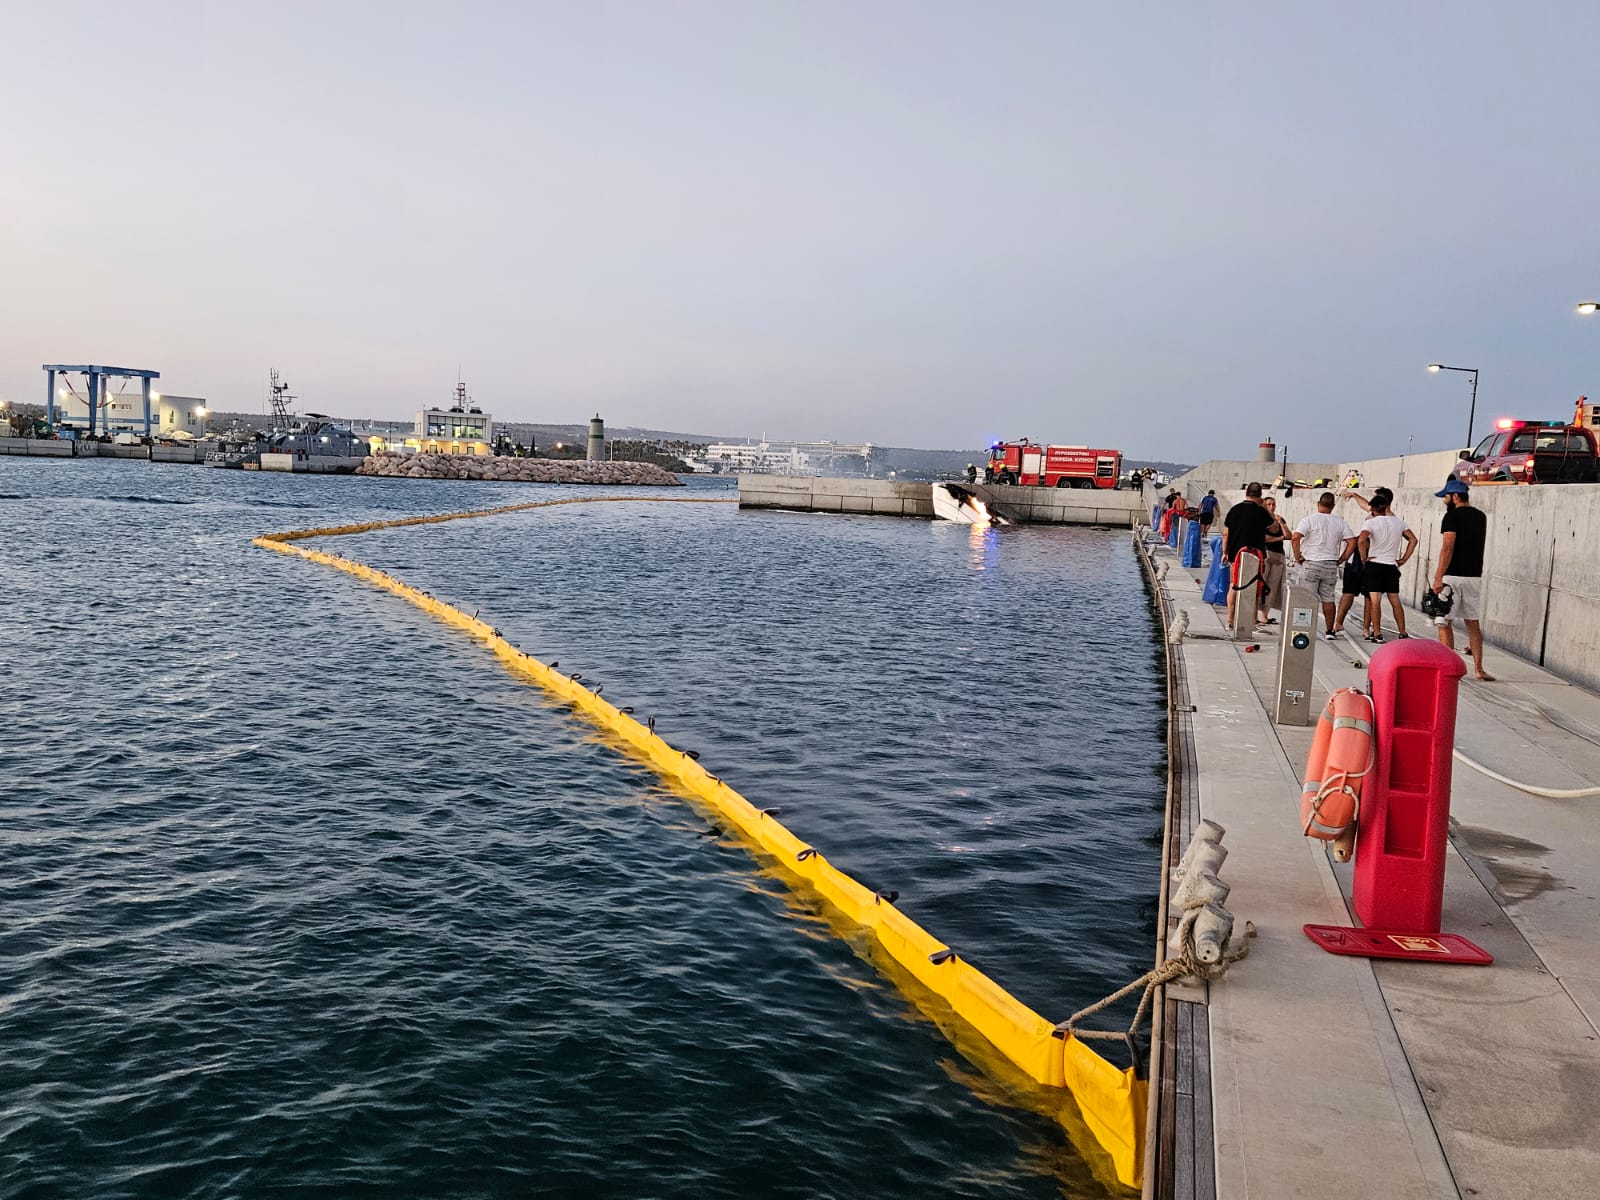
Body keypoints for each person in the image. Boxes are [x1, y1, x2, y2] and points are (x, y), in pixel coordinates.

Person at [1431, 479, 1494, 681]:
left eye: (1446, 497)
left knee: (1444, 622)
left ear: (1455, 496)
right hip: (1474, 576)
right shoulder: (1481, 516)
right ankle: (1478, 669)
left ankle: (1449, 667)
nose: (1444, 501)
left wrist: (1438, 576)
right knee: (1473, 624)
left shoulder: (1451, 517)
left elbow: (1447, 547)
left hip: (1452, 577)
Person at [1291, 491, 1357, 640]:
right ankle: (1329, 631)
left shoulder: (1309, 520)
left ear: (1318, 504)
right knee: (1328, 599)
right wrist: (1342, 558)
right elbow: (1352, 541)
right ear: (1333, 506)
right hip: (1330, 565)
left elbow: (1295, 538)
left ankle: (1304, 629)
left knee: (1306, 598)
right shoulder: (1339, 522)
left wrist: (1298, 556)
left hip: (1311, 563)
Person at [1357, 491, 1417, 642]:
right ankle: (1402, 631)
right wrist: (1403, 559)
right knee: (1395, 600)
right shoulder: (1398, 522)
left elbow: (1361, 540)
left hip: (1375, 564)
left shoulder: (1370, 523)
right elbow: (1413, 540)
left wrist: (1364, 558)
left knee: (1375, 601)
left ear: (1372, 509)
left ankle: (1377, 633)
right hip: (1391, 565)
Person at [1221, 481, 1273, 626]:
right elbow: (1273, 524)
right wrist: (1264, 507)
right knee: (1255, 586)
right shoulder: (1261, 512)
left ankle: (1230, 619)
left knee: (1234, 584)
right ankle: (1251, 620)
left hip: (1235, 552)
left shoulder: (1234, 510)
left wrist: (1225, 552)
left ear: (1246, 493)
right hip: (1257, 554)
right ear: (1260, 495)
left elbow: (1226, 534)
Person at [1258, 495, 1291, 624]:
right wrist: (1280, 538)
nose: (1271, 507)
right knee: (1262, 584)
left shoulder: (1279, 519)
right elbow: (1264, 538)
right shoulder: (1261, 520)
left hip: (1278, 555)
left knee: (1273, 586)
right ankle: (1257, 612)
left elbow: (1289, 535)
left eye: (1273, 504)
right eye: (1269, 504)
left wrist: (1281, 523)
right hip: (1266, 554)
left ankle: (1265, 615)